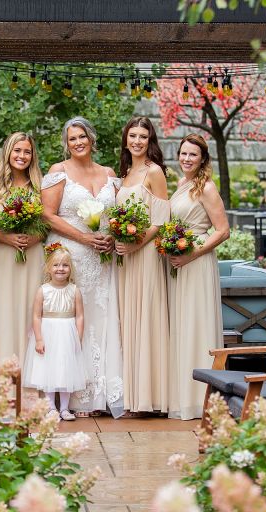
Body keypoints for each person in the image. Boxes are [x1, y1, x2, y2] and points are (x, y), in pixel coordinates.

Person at [41, 117, 124, 418]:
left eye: (82, 137)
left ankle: (100, 392)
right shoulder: (57, 172)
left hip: (102, 257)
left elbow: (117, 215)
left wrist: (112, 238)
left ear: (91, 138)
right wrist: (85, 238)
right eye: (72, 138)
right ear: (67, 142)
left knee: (101, 318)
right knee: (72, 321)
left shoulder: (109, 173)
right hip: (71, 254)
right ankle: (71, 395)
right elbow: (48, 215)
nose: (78, 142)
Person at [166, 134, 230, 420]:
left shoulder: (206, 187)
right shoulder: (182, 184)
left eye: (193, 155)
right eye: (183, 154)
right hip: (179, 261)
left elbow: (223, 230)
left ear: (203, 158)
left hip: (197, 261)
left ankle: (200, 399)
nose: (187, 159)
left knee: (196, 325)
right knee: (181, 325)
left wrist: (193, 253)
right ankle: (181, 395)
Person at [114, 116, 171, 415]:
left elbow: (161, 222)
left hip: (146, 255)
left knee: (146, 318)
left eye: (143, 136)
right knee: (128, 319)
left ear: (150, 141)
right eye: (132, 135)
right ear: (126, 139)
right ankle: (133, 395)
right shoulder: (125, 173)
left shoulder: (154, 172)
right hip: (125, 258)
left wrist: (136, 244)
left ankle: (151, 397)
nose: (137, 141)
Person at [0, 132, 45, 369]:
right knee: (3, 314)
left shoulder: (40, 187)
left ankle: (31, 381)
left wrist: (33, 238)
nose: (22, 156)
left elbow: (49, 224)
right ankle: (2, 378)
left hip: (32, 257)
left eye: (27, 151)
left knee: (31, 313)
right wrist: (7, 238)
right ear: (8, 153)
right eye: (17, 151)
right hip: (2, 260)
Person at [22, 244, 87, 421]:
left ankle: (65, 408)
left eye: (65, 265)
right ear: (48, 268)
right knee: (48, 369)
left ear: (70, 269)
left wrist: (78, 338)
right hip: (48, 332)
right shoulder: (43, 290)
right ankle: (51, 407)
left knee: (66, 369)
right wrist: (39, 339)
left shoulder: (75, 290)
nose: (60, 268)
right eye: (56, 265)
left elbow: (80, 316)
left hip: (67, 333)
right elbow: (36, 316)